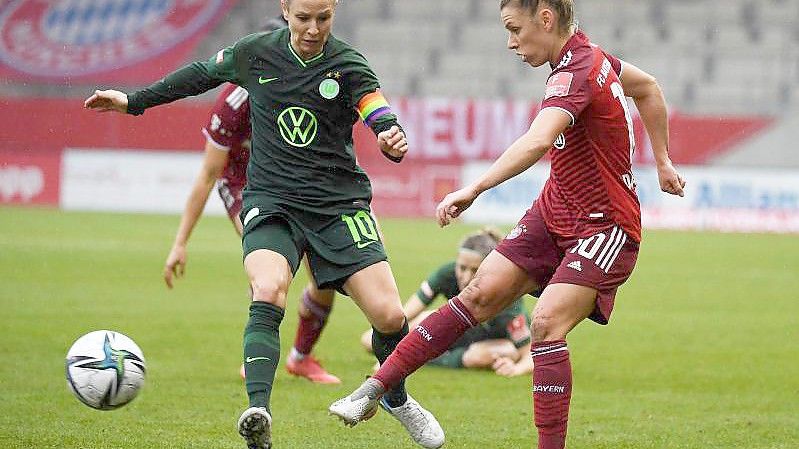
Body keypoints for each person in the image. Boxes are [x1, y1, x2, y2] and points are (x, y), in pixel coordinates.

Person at [84, 1, 445, 448]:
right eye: (303, 18)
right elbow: (198, 74)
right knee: (269, 287)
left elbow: (376, 107)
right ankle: (258, 409)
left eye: (324, 18)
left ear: (333, 13)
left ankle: (396, 398)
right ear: (286, 10)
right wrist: (133, 101)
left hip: (339, 206)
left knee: (391, 316)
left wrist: (390, 135)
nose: (313, 29)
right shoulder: (255, 53)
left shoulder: (348, 64)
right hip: (273, 202)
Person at [329, 1, 686, 449]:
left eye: (515, 30)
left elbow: (538, 140)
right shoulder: (595, 60)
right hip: (555, 211)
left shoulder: (576, 71)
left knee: (546, 324)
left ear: (546, 18)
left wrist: (473, 188)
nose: (511, 43)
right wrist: (664, 162)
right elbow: (648, 87)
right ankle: (376, 388)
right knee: (476, 294)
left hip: (604, 227)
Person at [162, 14, 340, 385]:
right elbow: (209, 174)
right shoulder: (234, 104)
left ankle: (300, 357)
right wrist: (180, 242)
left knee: (325, 273)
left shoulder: (315, 84)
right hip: (245, 184)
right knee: (269, 267)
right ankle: (258, 355)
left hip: (295, 180)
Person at [360, 228, 534, 376]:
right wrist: (389, 344)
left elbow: (527, 354)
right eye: (462, 268)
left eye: (474, 270)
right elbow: (405, 315)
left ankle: (417, 359)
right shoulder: (447, 274)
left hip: (488, 344)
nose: (465, 277)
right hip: (457, 334)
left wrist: (516, 369)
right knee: (370, 340)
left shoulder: (507, 298)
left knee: (499, 353)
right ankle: (413, 356)